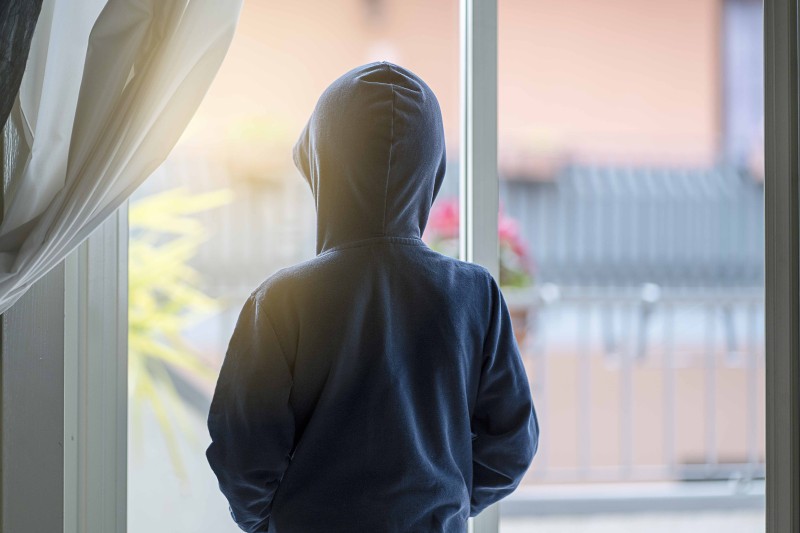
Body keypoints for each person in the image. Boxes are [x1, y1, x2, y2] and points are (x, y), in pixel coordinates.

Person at [206, 61, 539, 533]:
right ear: (432, 167)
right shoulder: (473, 293)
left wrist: (280, 522)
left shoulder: (281, 300)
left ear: (322, 162)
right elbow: (512, 445)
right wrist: (444, 503)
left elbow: (241, 453)